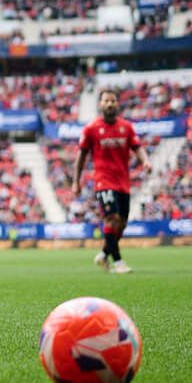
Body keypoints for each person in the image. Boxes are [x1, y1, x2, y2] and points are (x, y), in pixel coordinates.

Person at [73, 87, 140, 274]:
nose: (110, 104)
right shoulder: (91, 129)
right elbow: (81, 156)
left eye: (113, 100)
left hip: (123, 183)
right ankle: (118, 262)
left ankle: (103, 254)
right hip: (103, 181)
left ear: (117, 103)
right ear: (100, 104)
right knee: (112, 219)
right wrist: (75, 181)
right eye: (106, 101)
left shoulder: (126, 127)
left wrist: (147, 161)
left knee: (122, 224)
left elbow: (137, 147)